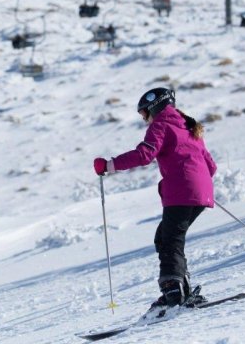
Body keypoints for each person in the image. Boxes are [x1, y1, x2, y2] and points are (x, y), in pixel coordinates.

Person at [93, 87, 216, 319]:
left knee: (169, 240)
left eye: (144, 114)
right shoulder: (188, 127)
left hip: (181, 191)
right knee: (167, 238)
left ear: (154, 108)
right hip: (201, 192)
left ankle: (174, 295)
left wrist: (109, 165)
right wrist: (198, 183)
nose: (144, 119)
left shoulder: (161, 124)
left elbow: (144, 155)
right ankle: (181, 288)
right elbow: (211, 166)